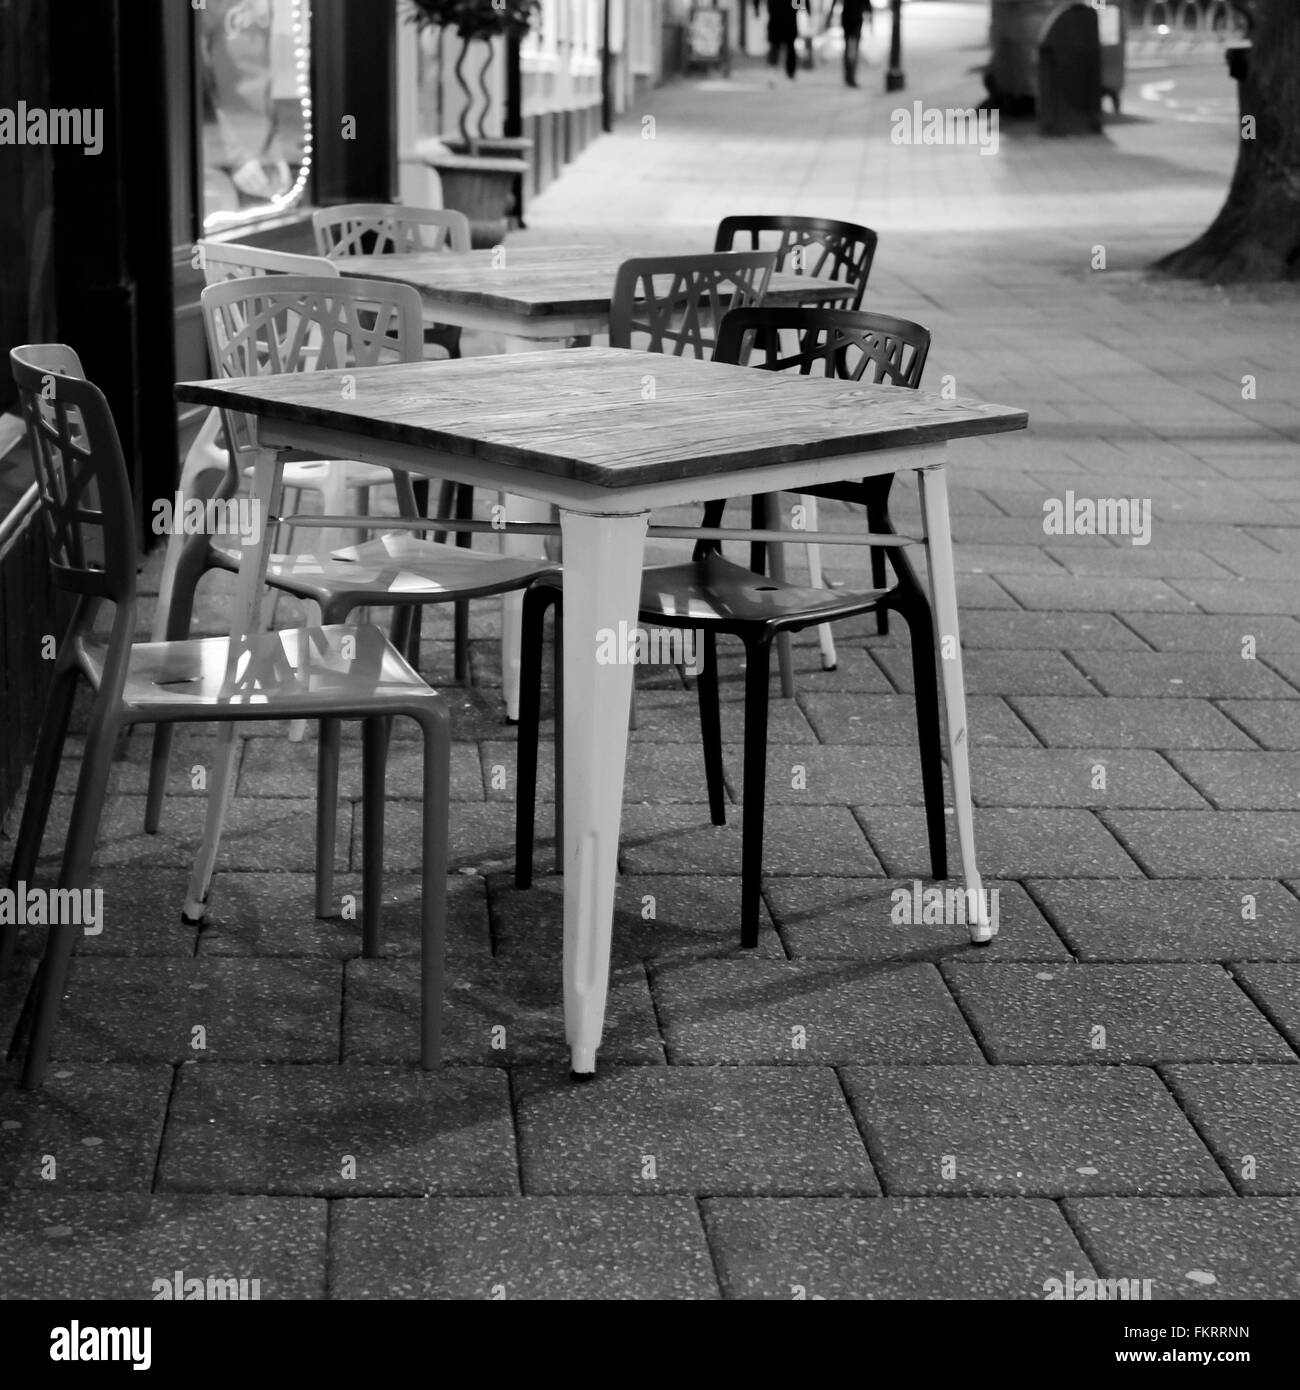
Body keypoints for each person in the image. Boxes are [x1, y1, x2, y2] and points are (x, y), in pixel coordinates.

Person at [828, 0, 872, 88]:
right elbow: (867, 5)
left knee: (849, 48)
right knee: (852, 49)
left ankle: (849, 75)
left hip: (848, 20)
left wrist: (830, 16)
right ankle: (850, 76)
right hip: (854, 21)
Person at [763, 0, 800, 83]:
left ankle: (780, 72)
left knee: (780, 46)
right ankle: (786, 73)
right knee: (783, 47)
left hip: (780, 17)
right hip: (784, 18)